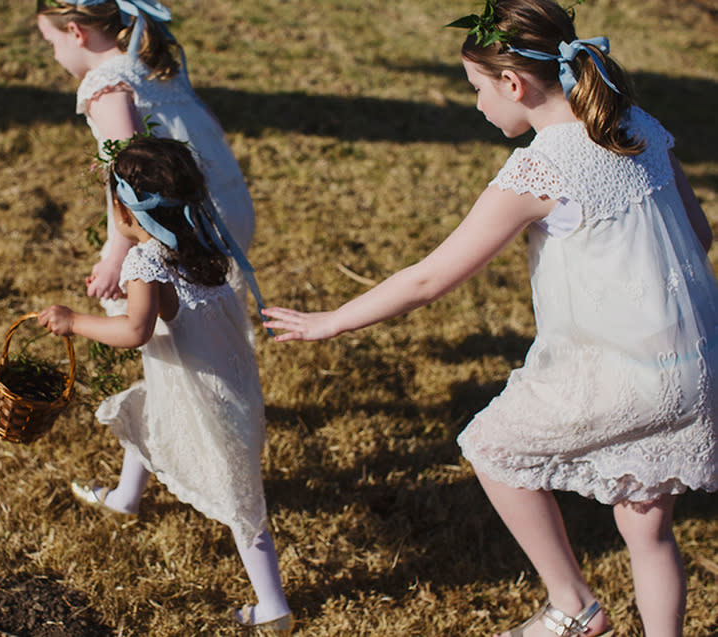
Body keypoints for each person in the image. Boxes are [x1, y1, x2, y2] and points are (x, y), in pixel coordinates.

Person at [262, 1, 718, 635]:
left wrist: (332, 320)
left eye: (477, 89)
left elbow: (428, 278)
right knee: (646, 523)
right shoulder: (638, 124)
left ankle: (573, 605)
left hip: (617, 371)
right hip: (692, 363)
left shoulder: (540, 167)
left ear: (513, 83)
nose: (476, 105)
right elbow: (699, 232)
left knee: (494, 447)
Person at [37, 136, 293, 632]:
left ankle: (274, 607)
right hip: (229, 383)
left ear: (122, 209)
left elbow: (134, 331)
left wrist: (74, 322)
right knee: (152, 417)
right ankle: (125, 498)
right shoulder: (207, 241)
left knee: (241, 501)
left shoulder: (147, 263)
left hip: (207, 399)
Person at [35, 0, 256, 307]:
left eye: (51, 43)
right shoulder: (154, 69)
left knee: (176, 322)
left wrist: (117, 257)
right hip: (226, 207)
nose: (55, 55)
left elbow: (137, 177)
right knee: (218, 313)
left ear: (75, 32)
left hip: (182, 226)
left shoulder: (106, 86)